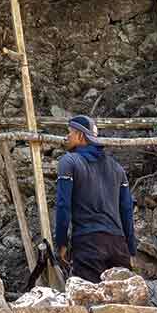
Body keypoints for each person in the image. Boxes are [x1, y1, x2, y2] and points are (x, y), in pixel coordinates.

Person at [52, 114, 137, 283]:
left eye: (69, 132)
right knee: (123, 304)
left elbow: (63, 206)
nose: (66, 137)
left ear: (80, 136)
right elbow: (126, 210)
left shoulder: (69, 162)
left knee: (91, 303)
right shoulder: (117, 168)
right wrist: (131, 250)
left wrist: (61, 243)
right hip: (118, 245)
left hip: (88, 244)